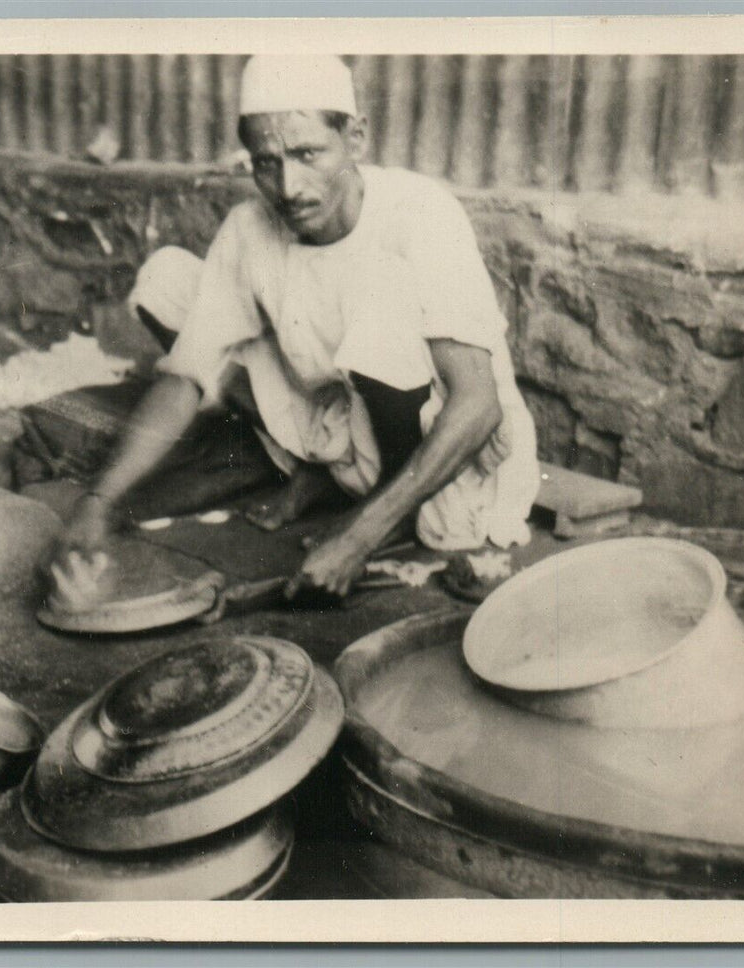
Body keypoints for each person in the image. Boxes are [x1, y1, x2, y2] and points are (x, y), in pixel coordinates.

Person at [50, 54, 540, 600]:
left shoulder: (419, 215)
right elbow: (185, 375)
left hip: (450, 464)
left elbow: (478, 404)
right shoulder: (250, 228)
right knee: (168, 281)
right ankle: (325, 479)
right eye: (267, 162)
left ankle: (382, 513)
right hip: (341, 420)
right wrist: (97, 504)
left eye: (308, 154)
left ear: (354, 138)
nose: (288, 187)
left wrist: (357, 539)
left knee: (379, 304)